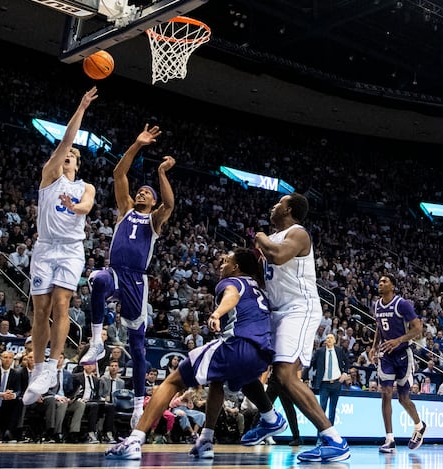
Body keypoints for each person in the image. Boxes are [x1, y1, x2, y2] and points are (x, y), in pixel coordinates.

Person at [106, 248, 273, 460]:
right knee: (217, 380)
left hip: (237, 345)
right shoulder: (260, 288)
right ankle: (206, 440)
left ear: (236, 267)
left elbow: (232, 294)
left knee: (172, 382)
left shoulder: (231, 282)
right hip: (262, 354)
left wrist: (217, 313)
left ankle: (134, 440)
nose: (221, 264)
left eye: (226, 261)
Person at [240, 193, 349, 463]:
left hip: (299, 309)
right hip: (277, 310)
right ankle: (268, 418)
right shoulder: (275, 239)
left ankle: (334, 440)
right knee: (246, 363)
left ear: (288, 209)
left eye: (279, 203)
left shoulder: (297, 233)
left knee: (287, 375)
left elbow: (277, 256)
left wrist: (260, 237)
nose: (273, 205)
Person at [81, 124, 175, 429]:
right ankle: (96, 342)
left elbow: (170, 204)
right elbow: (118, 175)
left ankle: (138, 406)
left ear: (151, 202)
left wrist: (161, 174)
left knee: (137, 346)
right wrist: (136, 144)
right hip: (116, 272)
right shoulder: (124, 209)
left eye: (147, 193)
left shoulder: (154, 220)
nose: (141, 192)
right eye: (141, 190)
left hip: (137, 280)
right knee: (96, 279)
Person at [22, 87, 99, 405]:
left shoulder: (85, 186)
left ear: (77, 163)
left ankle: (54, 364)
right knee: (40, 311)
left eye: (71, 156)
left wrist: (74, 204)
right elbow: (67, 140)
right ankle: (38, 370)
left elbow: (86, 208)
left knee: (61, 305)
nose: (66, 155)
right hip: (44, 247)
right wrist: (80, 108)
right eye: (63, 153)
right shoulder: (48, 177)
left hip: (70, 248)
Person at [370, 274, 427, 453]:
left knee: (403, 398)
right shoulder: (376, 305)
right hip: (386, 355)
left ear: (393, 286)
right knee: (386, 393)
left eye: (385, 281)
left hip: (403, 354)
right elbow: (379, 326)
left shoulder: (402, 304)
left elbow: (418, 328)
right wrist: (373, 347)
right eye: (379, 281)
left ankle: (419, 426)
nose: (380, 283)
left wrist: (399, 340)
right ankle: (389, 439)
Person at [311, 333, 349, 425]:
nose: (329, 339)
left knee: (332, 410)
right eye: (327, 338)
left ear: (335, 341)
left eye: (331, 338)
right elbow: (311, 363)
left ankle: (330, 435)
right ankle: (320, 436)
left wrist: (345, 373)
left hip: (336, 383)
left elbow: (347, 361)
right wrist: (303, 377)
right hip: (324, 384)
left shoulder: (339, 350)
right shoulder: (320, 351)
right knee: (321, 410)